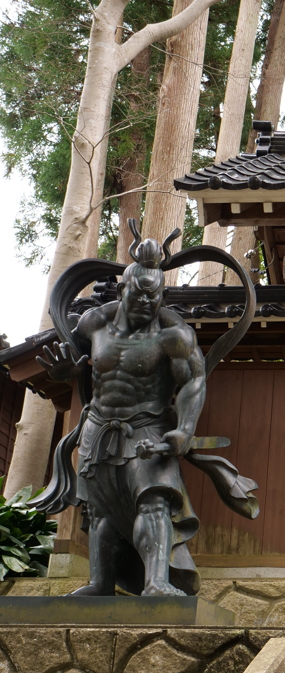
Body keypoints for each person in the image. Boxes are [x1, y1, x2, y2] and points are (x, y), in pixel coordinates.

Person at [39, 237, 209, 596]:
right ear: (123, 287)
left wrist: (185, 429)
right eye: (141, 292)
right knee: (99, 509)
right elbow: (79, 365)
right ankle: (101, 582)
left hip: (147, 425)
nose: (149, 301)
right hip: (98, 426)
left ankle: (157, 581)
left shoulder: (173, 335)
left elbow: (194, 380)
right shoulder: (93, 322)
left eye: (156, 295)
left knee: (154, 500)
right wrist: (65, 372)